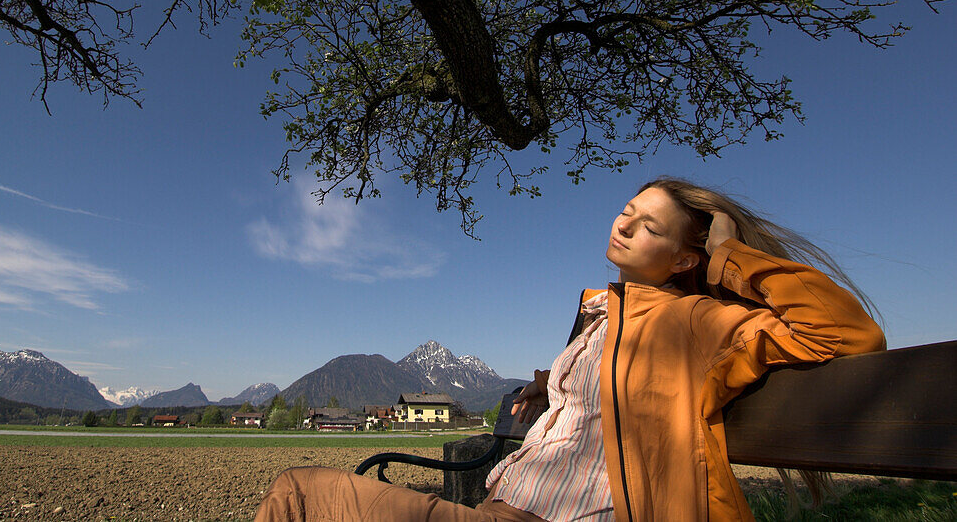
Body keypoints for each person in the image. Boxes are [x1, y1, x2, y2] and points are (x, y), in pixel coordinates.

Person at [253, 178, 885, 522]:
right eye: (628, 211)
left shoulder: (695, 321)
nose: (626, 224)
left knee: (302, 499)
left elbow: (846, 333)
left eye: (650, 226)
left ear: (686, 256)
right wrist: (548, 385)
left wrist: (729, 259)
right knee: (296, 492)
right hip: (503, 506)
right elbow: (607, 388)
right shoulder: (603, 315)